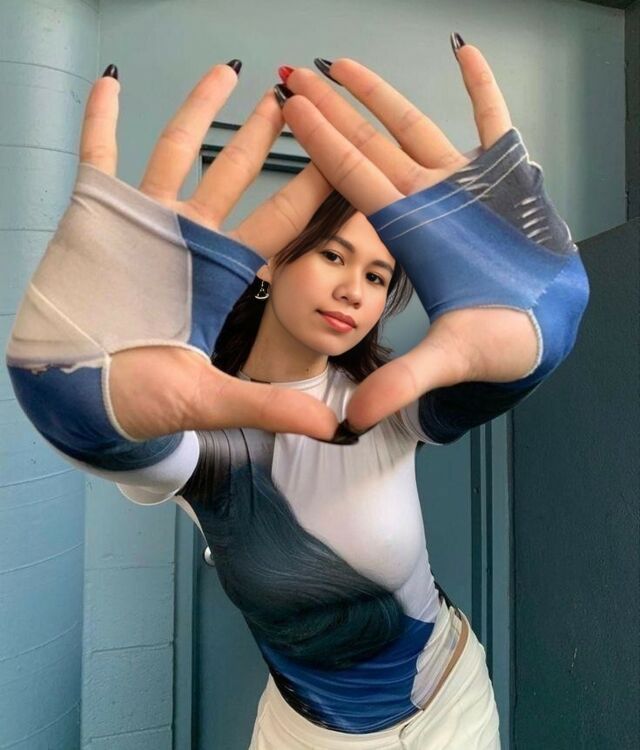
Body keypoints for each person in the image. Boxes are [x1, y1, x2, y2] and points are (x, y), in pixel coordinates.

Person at [5, 33, 590, 749]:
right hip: (303, 734)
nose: (354, 289)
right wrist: (70, 393)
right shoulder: (195, 433)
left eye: (376, 276)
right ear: (269, 263)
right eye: (333, 255)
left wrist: (545, 325)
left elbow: (498, 376)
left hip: (454, 708)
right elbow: (123, 441)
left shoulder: (386, 403)